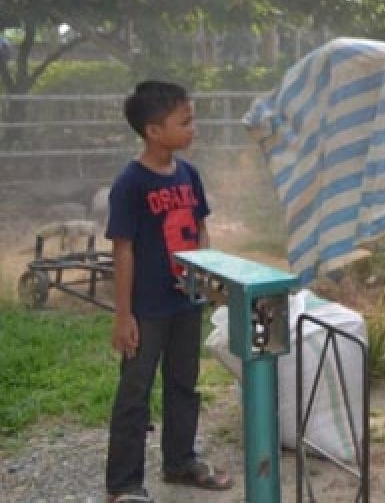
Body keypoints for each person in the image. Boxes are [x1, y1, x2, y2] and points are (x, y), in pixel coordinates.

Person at [104, 81, 232, 503]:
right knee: (134, 395)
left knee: (183, 384)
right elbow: (123, 251)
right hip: (147, 309)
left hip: (185, 303)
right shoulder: (130, 183)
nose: (194, 128)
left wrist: (206, 276)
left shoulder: (189, 175)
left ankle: (180, 462)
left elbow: (199, 229)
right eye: (186, 121)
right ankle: (124, 485)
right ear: (154, 131)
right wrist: (124, 315)